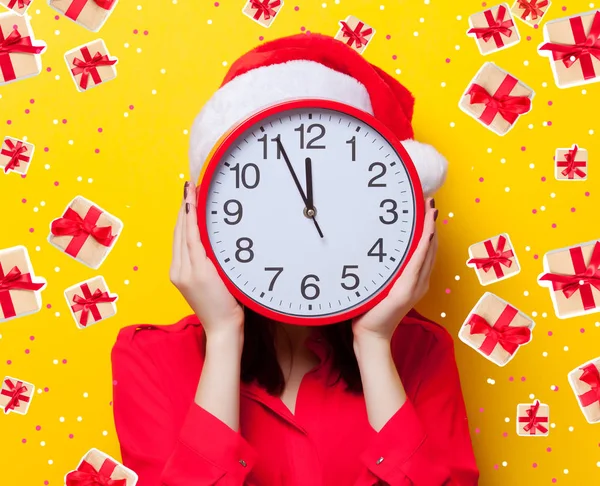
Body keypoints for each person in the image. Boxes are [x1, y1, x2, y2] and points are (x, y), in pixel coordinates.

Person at [111, 34, 479, 486]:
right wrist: (224, 337)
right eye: (262, 194)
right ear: (202, 215)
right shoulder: (149, 359)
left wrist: (374, 343)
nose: (307, 217)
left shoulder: (421, 353)